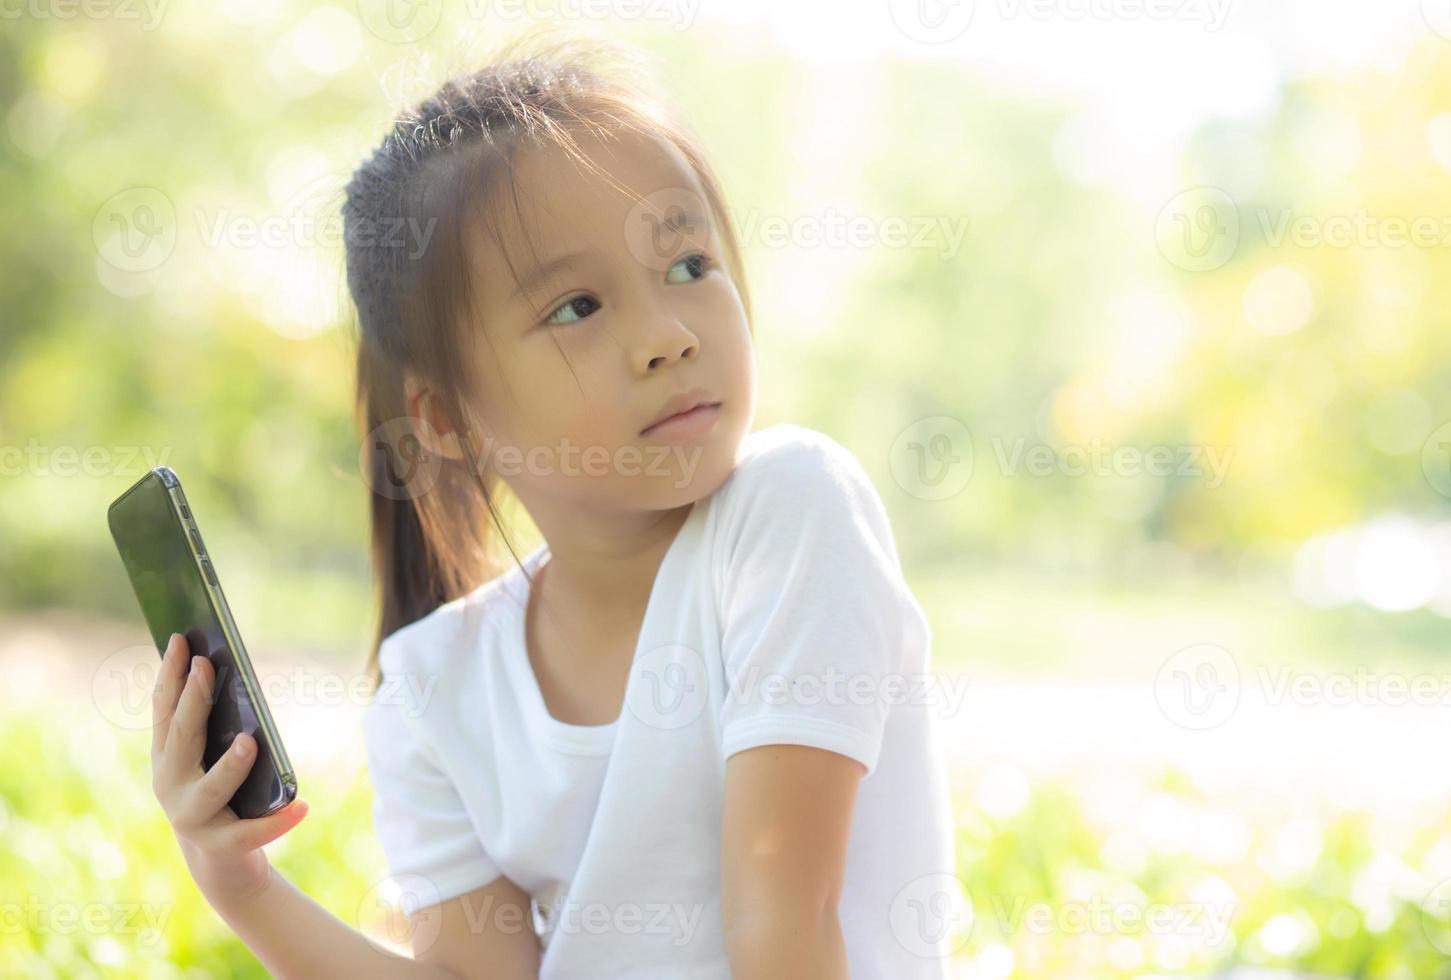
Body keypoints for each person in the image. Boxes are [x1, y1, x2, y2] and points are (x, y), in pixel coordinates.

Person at [149, 29, 956, 978]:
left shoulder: (790, 512)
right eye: (577, 307)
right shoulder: (431, 687)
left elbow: (782, 919)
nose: (667, 335)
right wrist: (240, 885)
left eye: (690, 265)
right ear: (444, 415)